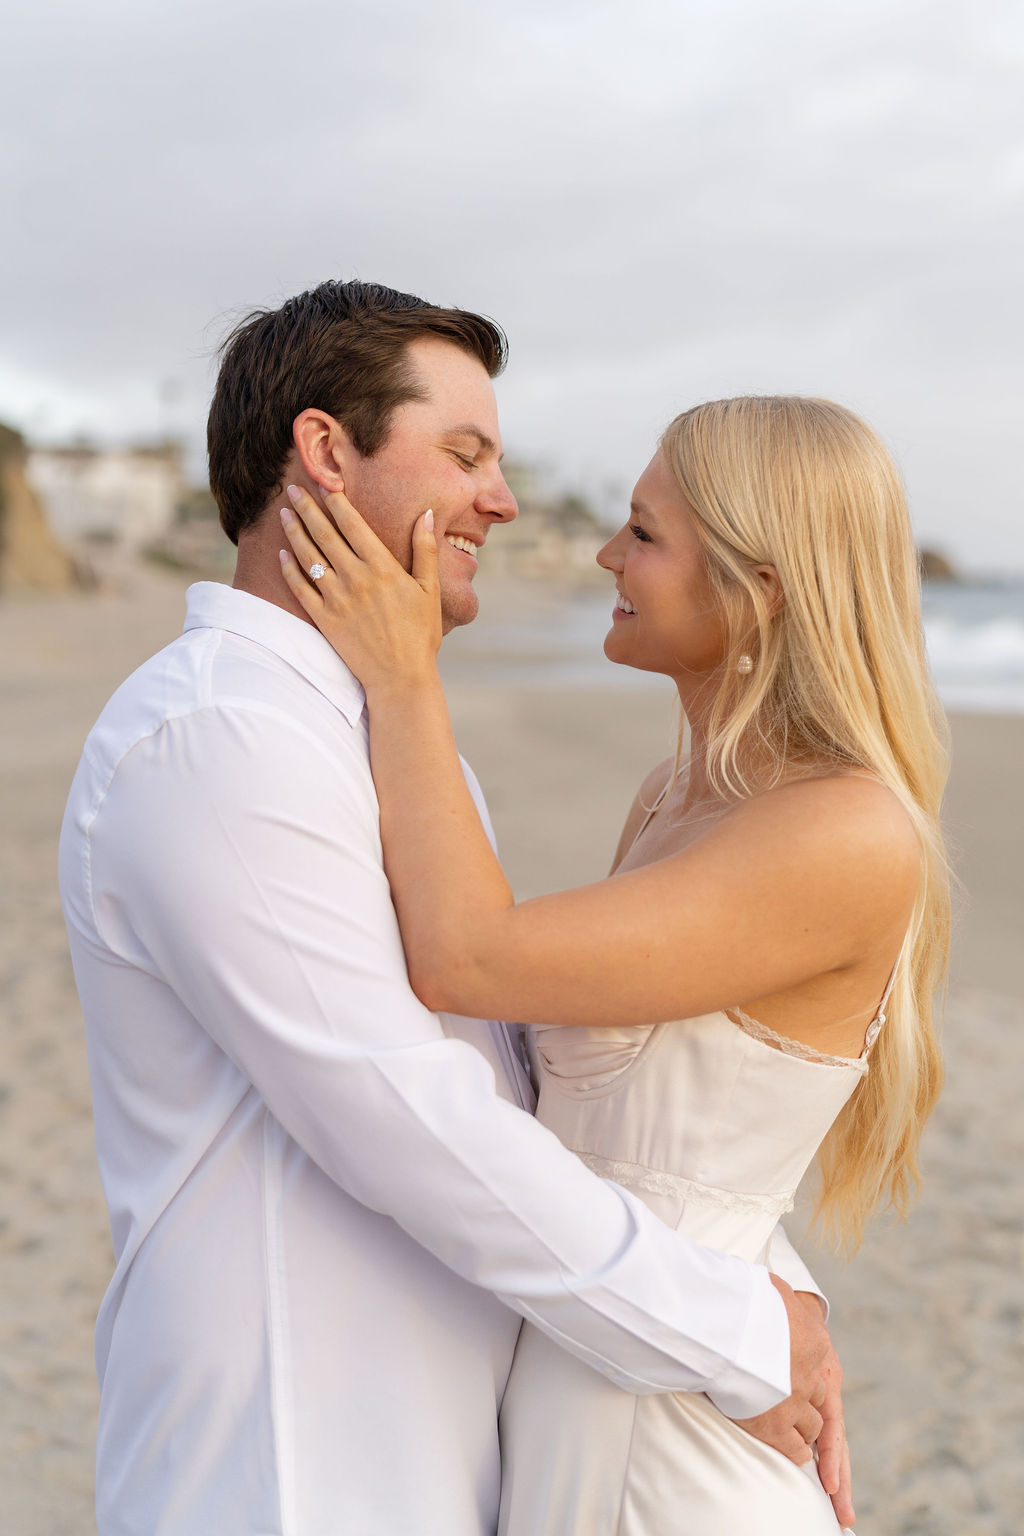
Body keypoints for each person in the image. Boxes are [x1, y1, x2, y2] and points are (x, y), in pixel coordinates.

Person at [59, 284, 846, 1536]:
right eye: (465, 454)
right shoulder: (218, 737)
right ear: (324, 454)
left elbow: (543, 1093)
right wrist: (737, 1330)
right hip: (295, 1468)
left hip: (457, 1457)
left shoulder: (383, 736)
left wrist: (762, 1285)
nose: (505, 500)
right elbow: (411, 1127)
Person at [276, 390, 950, 1534]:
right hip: (614, 1353)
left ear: (761, 583)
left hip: (675, 1425)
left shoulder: (846, 833)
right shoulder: (681, 794)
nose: (603, 554)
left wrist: (401, 677)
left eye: (642, 533)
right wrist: (778, 1305)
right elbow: (664, 1131)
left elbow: (468, 959)